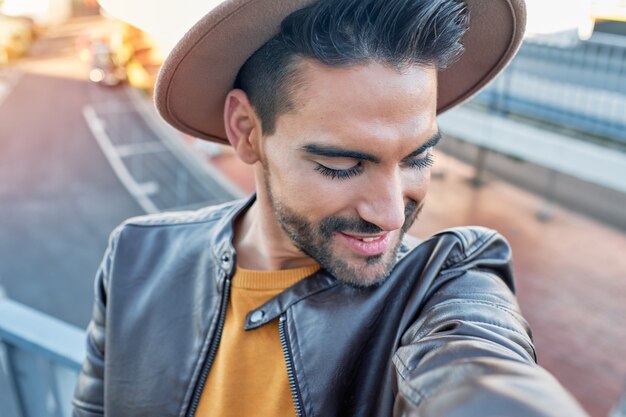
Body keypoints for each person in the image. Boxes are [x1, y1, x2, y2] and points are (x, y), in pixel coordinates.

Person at [72, 0, 590, 416]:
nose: (389, 216)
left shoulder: (443, 286)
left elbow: (477, 361)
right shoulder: (136, 255)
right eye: (342, 165)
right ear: (247, 131)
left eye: (418, 157)